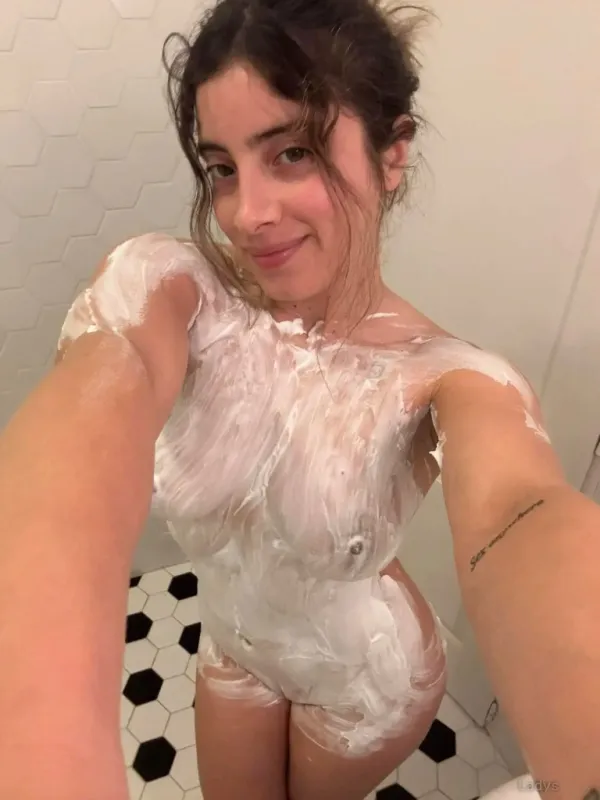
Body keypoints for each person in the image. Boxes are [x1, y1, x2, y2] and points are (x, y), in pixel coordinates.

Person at [0, 1, 599, 799]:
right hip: (235, 638)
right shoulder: (178, 292)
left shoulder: (447, 378)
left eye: (292, 153)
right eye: (222, 168)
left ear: (392, 154)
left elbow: (519, 513)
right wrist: (36, 723)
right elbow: (101, 394)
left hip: (365, 675)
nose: (246, 213)